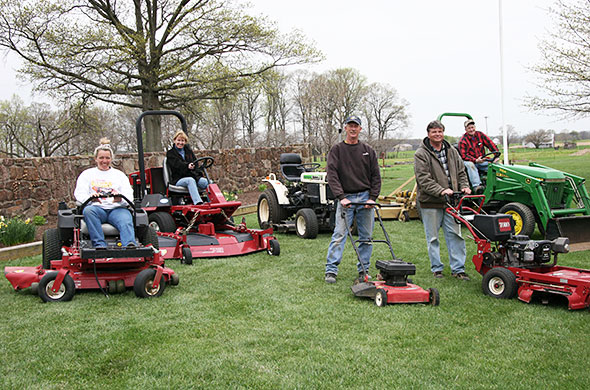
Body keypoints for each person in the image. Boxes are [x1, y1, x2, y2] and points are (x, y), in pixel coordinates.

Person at [324, 115, 381, 284]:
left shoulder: (368, 151)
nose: (353, 129)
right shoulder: (337, 150)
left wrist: (372, 198)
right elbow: (332, 175)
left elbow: (375, 176)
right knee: (340, 234)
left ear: (360, 129)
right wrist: (341, 197)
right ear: (346, 128)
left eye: (356, 126)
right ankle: (331, 270)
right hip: (346, 198)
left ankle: (364, 270)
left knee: (366, 237)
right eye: (350, 126)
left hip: (365, 198)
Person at [414, 120, 471, 280]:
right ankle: (437, 268)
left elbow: (461, 172)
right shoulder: (421, 153)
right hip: (430, 202)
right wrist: (441, 190)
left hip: (451, 202)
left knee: (456, 235)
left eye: (440, 131)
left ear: (443, 133)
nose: (437, 134)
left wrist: (465, 186)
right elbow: (423, 179)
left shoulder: (452, 151)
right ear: (428, 134)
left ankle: (458, 269)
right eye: (434, 132)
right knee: (432, 237)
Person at [74, 138, 137, 249]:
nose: (104, 161)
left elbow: (129, 195)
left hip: (117, 209)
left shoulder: (119, 175)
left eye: (107, 158)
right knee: (88, 211)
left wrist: (120, 199)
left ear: (111, 159)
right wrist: (90, 199)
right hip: (97, 209)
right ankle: (99, 245)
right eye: (101, 158)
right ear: (96, 159)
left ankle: (129, 246)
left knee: (126, 218)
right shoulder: (87, 175)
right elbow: (79, 194)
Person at [166, 130, 209, 205]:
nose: (180, 142)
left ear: (185, 142)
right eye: (178, 140)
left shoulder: (188, 152)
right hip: (178, 179)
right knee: (190, 180)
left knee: (207, 182)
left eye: (182, 141)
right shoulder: (171, 154)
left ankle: (214, 203)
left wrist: (196, 168)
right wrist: (187, 166)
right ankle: (198, 203)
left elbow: (195, 162)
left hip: (192, 176)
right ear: (174, 140)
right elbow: (177, 165)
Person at [458, 119, 499, 188]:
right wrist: (475, 160)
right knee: (470, 165)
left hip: (481, 160)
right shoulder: (463, 141)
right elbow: (464, 155)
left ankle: (498, 181)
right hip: (470, 162)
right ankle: (477, 186)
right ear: (466, 129)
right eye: (469, 128)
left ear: (475, 127)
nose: (471, 129)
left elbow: (490, 144)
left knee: (495, 165)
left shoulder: (480, 135)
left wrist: (496, 155)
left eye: (472, 127)